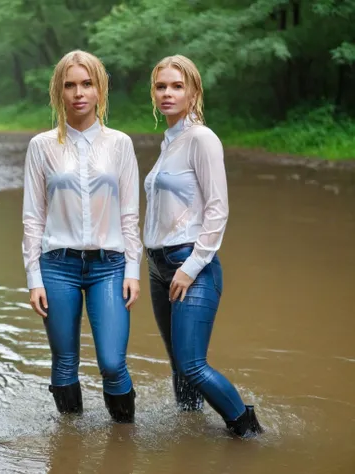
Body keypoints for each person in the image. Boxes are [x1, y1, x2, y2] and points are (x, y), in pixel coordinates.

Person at [144, 55, 263, 437]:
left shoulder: (201, 138)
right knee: (179, 362)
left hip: (190, 264)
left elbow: (218, 208)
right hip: (158, 266)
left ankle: (248, 431)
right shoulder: (169, 141)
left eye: (177, 86)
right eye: (161, 86)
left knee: (193, 363)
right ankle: (190, 430)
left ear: (194, 92)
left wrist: (191, 266)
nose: (167, 93)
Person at [22, 50, 142, 423]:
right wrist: (33, 278)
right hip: (57, 266)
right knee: (64, 362)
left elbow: (129, 213)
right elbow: (33, 217)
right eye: (70, 85)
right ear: (58, 91)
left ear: (100, 90)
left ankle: (124, 442)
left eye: (87, 84)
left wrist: (133, 269)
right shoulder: (41, 146)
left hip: (109, 265)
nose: (78, 93)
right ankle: (69, 443)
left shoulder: (120, 143)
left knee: (111, 361)